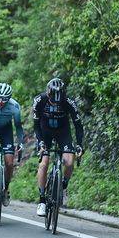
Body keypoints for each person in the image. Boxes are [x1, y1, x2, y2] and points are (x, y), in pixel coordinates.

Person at [33, 78, 84, 217]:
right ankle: (42, 200)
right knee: (44, 164)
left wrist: (80, 145)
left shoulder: (69, 102)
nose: (56, 102)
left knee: (68, 161)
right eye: (53, 100)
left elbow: (78, 125)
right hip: (45, 133)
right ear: (48, 94)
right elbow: (36, 125)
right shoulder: (40, 100)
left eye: (59, 100)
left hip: (63, 132)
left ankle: (63, 187)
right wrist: (41, 142)